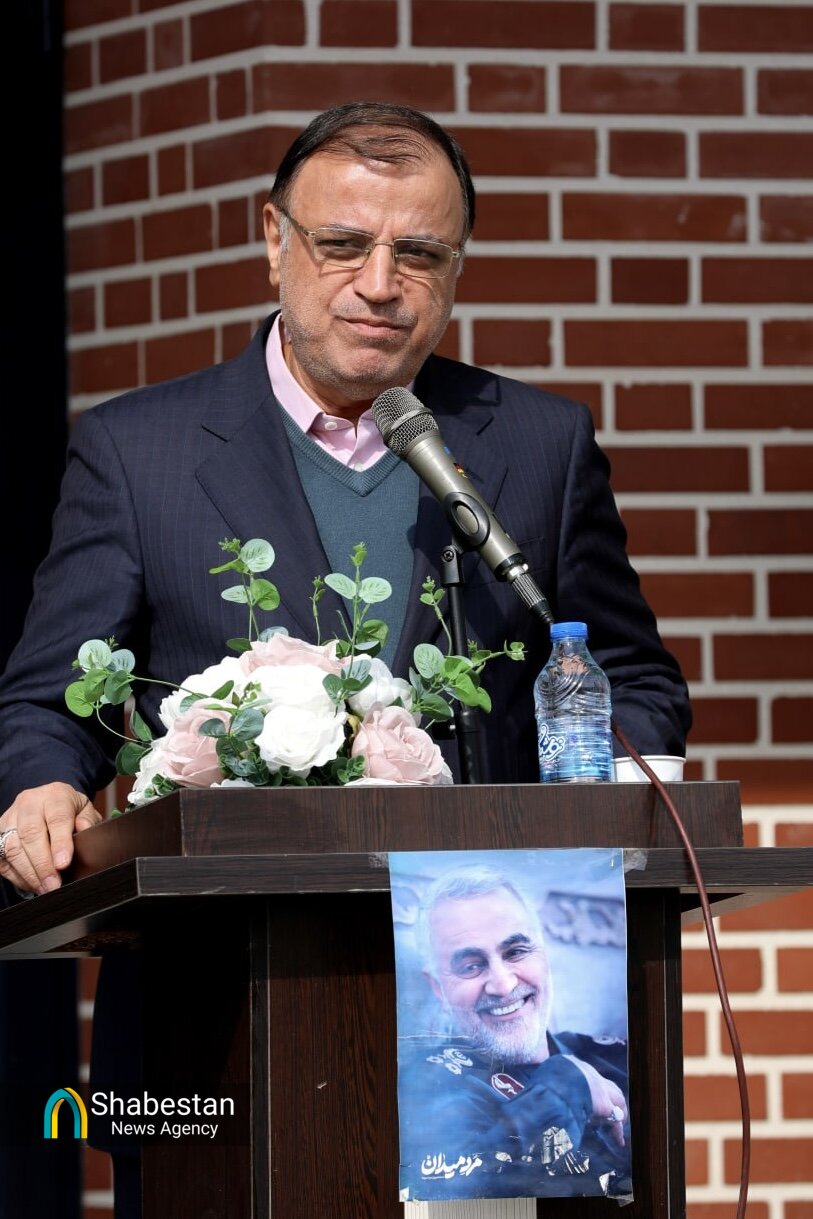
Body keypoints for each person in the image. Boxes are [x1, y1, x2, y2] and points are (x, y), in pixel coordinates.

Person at [0, 101, 688, 1211]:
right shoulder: (136, 452)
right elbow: (48, 700)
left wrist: (585, 789)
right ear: (273, 239)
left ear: (456, 268)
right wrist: (39, 783)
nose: (381, 284)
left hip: (502, 1097)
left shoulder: (537, 443)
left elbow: (636, 679)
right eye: (342, 244)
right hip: (209, 1036)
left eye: (420, 253)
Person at [398, 864, 631, 1201]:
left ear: (544, 956)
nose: (503, 984)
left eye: (516, 952)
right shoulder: (422, 1091)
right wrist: (567, 1085)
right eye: (471, 966)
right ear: (438, 988)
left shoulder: (618, 1058)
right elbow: (454, 1195)